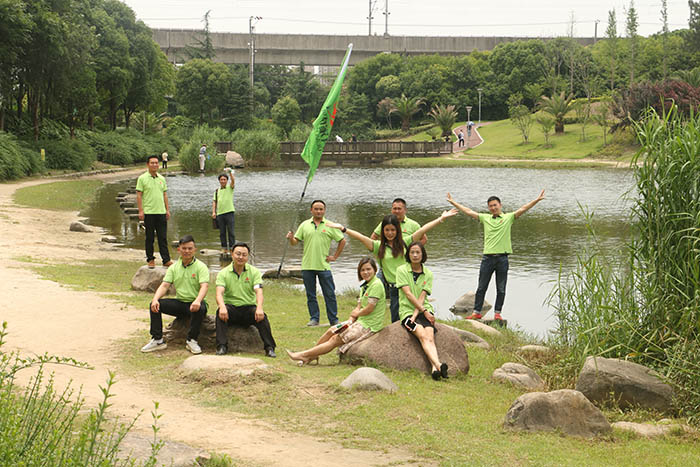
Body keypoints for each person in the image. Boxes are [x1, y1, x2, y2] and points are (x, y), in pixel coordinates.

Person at [325, 209, 457, 323]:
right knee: (396, 319)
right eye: (387, 230)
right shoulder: (378, 247)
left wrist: (441, 219)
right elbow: (361, 237)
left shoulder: (405, 242)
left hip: (410, 286)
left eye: (393, 230)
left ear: (397, 230)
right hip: (394, 289)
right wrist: (343, 229)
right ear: (383, 231)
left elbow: (423, 229)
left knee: (417, 315)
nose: (390, 233)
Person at [447, 190, 546, 321]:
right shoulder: (485, 218)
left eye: (495, 205)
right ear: (488, 208)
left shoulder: (508, 218)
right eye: (490, 206)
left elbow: (523, 208)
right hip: (487, 258)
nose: (493, 208)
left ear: (500, 205)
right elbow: (469, 211)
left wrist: (537, 200)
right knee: (481, 287)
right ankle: (477, 312)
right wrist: (454, 202)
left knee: (501, 288)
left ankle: (497, 313)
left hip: (502, 259)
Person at [286, 257, 385, 365]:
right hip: (360, 321)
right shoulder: (365, 286)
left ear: (375, 270)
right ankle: (312, 356)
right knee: (331, 331)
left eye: (368, 269)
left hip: (369, 326)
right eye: (362, 270)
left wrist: (357, 313)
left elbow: (369, 308)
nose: (365, 272)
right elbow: (359, 306)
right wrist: (351, 320)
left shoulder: (376, 285)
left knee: (335, 339)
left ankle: (304, 355)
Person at [141, 235, 209, 354]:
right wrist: (156, 299)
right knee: (154, 305)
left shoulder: (201, 267)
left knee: (200, 308)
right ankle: (157, 340)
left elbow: (204, 286)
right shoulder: (174, 267)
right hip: (180, 303)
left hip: (195, 303)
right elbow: (165, 285)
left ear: (195, 250)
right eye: (184, 248)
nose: (187, 251)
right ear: (179, 249)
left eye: (190, 248)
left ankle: (192, 340)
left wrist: (197, 300)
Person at [286, 200, 346, 326]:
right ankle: (314, 318)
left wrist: (335, 256)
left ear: (324, 210)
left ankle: (333, 319)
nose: (318, 211)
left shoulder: (330, 225)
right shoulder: (304, 225)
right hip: (307, 265)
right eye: (316, 209)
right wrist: (291, 238)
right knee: (311, 295)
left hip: (324, 266)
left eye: (321, 209)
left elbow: (342, 241)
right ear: (311, 210)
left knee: (329, 294)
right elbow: (295, 242)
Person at [396, 241, 448, 380]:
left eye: (418, 252)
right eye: (412, 252)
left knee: (430, 337)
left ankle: (434, 370)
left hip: (423, 310)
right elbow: (408, 294)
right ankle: (438, 364)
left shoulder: (428, 274)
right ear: (408, 254)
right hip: (406, 312)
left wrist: (421, 312)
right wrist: (414, 314)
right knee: (422, 335)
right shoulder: (401, 270)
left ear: (422, 254)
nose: (414, 255)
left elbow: (422, 296)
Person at [215, 243, 277, 358]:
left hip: (248, 309)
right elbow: (219, 292)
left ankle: (269, 348)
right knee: (220, 313)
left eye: (244, 255)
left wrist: (259, 308)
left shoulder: (254, 272)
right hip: (231, 308)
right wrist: (222, 306)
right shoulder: (223, 273)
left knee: (262, 316)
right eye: (238, 254)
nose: (240, 257)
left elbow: (259, 291)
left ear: (247, 257)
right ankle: (222, 346)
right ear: (232, 255)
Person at [136, 155, 171, 268]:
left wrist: (167, 210)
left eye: (156, 163)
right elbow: (139, 195)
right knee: (149, 237)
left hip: (161, 212)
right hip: (149, 212)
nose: (155, 165)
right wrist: (141, 211)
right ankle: (150, 259)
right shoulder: (142, 178)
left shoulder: (161, 178)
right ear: (148, 164)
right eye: (152, 163)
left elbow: (165, 195)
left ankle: (166, 259)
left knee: (163, 237)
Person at [212, 169, 235, 255]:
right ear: (219, 181)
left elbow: (233, 181)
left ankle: (232, 248)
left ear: (227, 181)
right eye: (221, 179)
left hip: (229, 212)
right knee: (222, 232)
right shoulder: (217, 191)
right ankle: (224, 248)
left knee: (231, 232)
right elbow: (214, 201)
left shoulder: (230, 188)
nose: (223, 181)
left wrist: (230, 173)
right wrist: (213, 212)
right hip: (220, 214)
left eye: (224, 179)